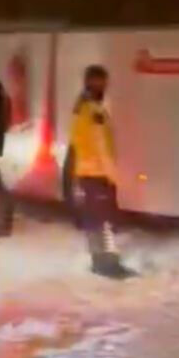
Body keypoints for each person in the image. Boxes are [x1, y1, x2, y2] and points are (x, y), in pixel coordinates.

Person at [69, 64, 134, 279]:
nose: (104, 86)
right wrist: (114, 176)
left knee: (95, 219)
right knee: (102, 220)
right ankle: (107, 264)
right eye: (101, 82)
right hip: (97, 172)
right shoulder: (93, 111)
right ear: (92, 82)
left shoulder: (82, 107)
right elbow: (101, 146)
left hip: (88, 171)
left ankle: (101, 261)